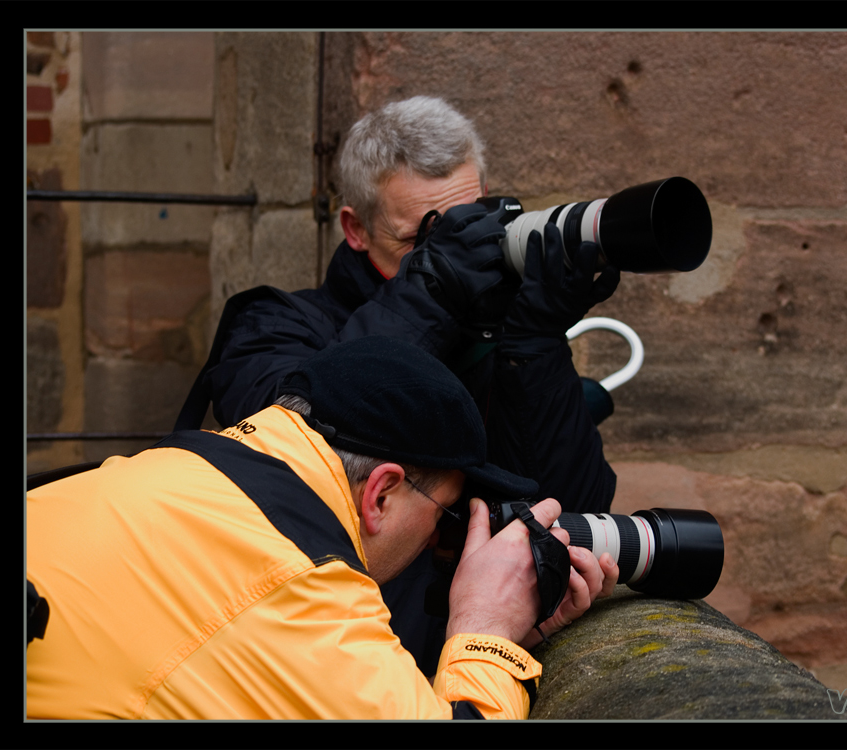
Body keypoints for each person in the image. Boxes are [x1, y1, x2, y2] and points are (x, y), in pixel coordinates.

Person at [174, 95, 621, 674]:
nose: (460, 253)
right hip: (337, 668)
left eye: (470, 226)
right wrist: (434, 289)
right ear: (356, 229)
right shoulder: (273, 325)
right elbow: (291, 435)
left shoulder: (499, 339)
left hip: (486, 664)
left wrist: (534, 343)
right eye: (422, 240)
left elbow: (572, 509)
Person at [26, 336, 618, 720]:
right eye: (447, 515)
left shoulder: (160, 472)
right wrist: (486, 629)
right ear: (382, 494)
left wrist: (509, 631)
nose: (444, 541)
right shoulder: (297, 582)